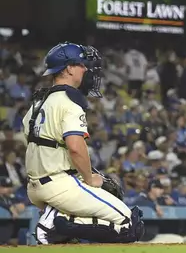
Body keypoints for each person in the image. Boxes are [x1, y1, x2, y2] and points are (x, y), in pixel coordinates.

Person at [23, 42, 144, 244]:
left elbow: (40, 144)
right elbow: (75, 147)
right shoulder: (69, 100)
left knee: (81, 231)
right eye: (82, 64)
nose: (86, 69)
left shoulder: (38, 102)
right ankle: (53, 225)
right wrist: (89, 178)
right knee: (130, 226)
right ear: (69, 68)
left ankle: (59, 219)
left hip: (37, 185)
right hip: (60, 184)